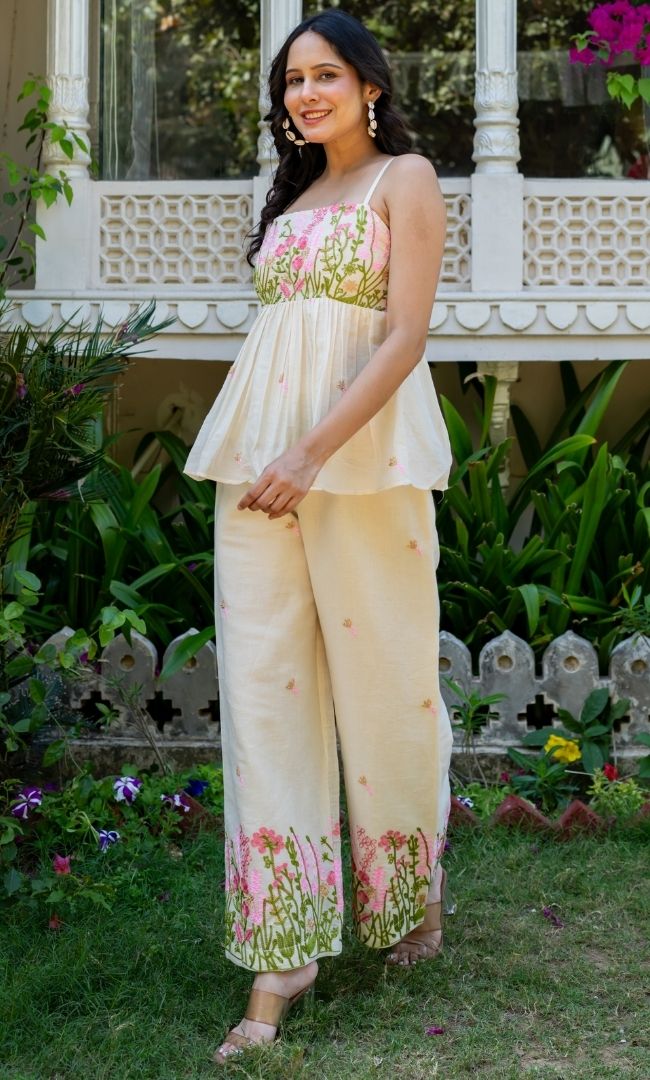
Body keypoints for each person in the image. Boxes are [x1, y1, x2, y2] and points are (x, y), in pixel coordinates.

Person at [183, 8, 454, 1066]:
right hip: (256, 465)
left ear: (370, 85)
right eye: (292, 80)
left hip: (359, 462)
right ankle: (281, 954)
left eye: (325, 75)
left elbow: (404, 336)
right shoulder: (292, 194)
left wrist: (311, 453)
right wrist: (276, 455)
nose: (305, 94)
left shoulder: (405, 179)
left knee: (385, 680)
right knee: (263, 693)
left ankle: (409, 893)